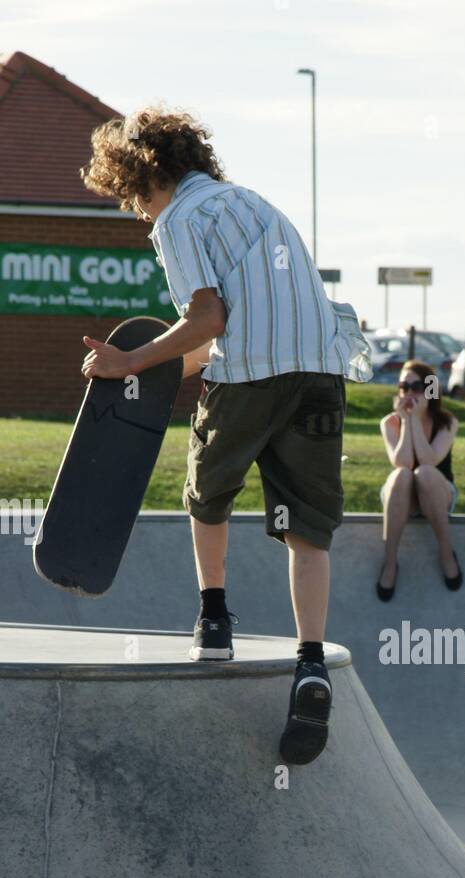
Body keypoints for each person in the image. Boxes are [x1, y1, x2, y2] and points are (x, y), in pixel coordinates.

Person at [79, 107, 371, 765]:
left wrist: (128, 361)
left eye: (132, 197)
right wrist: (155, 365)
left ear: (149, 176)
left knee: (206, 494)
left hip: (250, 384)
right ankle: (312, 661)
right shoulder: (254, 204)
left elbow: (207, 319)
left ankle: (214, 619)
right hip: (320, 374)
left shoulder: (180, 221)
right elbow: (244, 327)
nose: (137, 212)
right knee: (306, 529)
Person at [377, 360, 461, 599]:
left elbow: (429, 460)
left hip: (437, 493)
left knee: (424, 472)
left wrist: (415, 419)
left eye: (417, 386)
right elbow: (401, 462)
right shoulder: (390, 422)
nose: (409, 393)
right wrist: (406, 421)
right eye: (404, 386)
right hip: (402, 497)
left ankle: (446, 553)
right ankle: (390, 562)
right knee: (402, 474)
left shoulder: (447, 422)